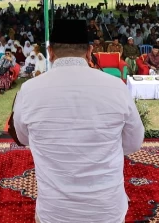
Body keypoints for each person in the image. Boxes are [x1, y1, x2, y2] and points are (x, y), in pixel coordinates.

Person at [9, 19, 144, 223]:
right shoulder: (116, 87)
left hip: (55, 213)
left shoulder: (29, 90)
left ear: (50, 52)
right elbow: (133, 143)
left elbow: (23, 138)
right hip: (106, 210)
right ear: (90, 51)